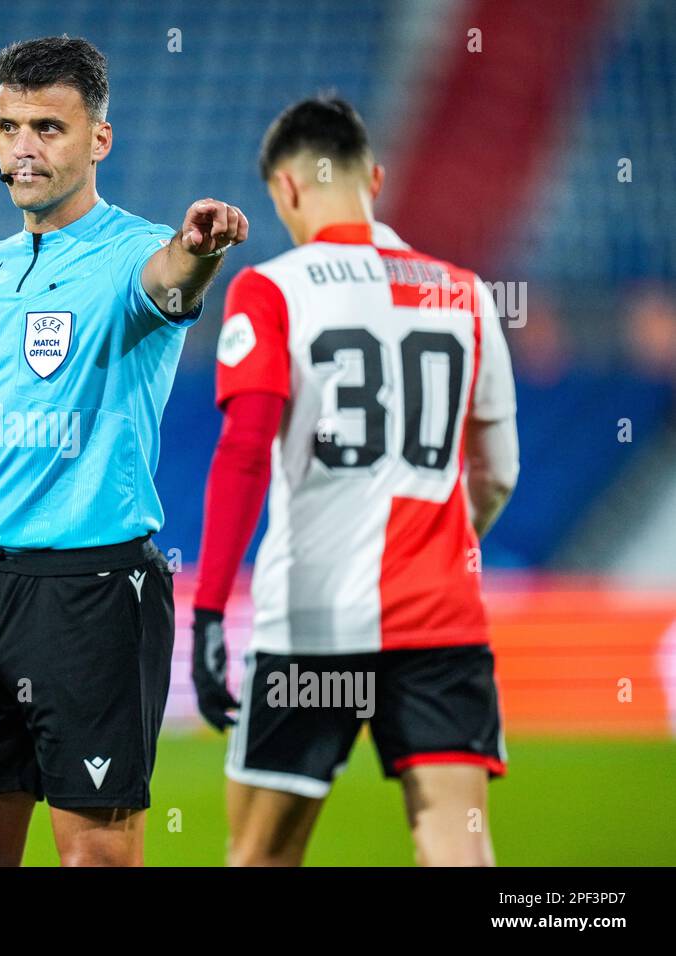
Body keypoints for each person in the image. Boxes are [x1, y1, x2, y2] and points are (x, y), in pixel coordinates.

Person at [0, 36, 247, 867]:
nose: (24, 148)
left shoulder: (130, 254)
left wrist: (204, 247)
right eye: (9, 128)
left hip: (92, 595)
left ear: (98, 141)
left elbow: (172, 282)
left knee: (95, 859)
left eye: (48, 126)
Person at [191, 96, 519, 866]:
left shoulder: (270, 290)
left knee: (263, 855)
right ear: (374, 178)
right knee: (458, 851)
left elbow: (243, 450)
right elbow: (497, 472)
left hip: (314, 627)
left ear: (285, 190)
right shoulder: (464, 293)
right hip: (441, 626)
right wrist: (442, 548)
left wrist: (208, 610)